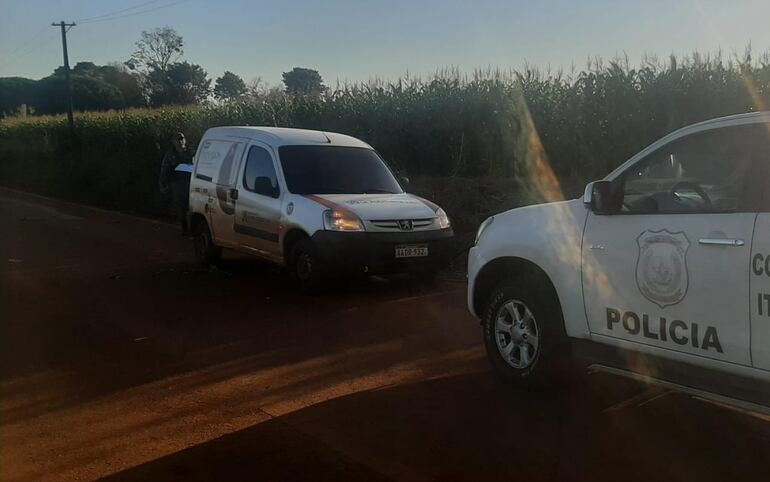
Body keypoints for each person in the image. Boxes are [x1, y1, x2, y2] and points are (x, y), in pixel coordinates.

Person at [159, 132, 194, 234]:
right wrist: (162, 183)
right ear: (173, 142)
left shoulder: (191, 152)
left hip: (191, 181)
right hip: (177, 182)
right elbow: (165, 169)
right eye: (178, 139)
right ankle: (184, 228)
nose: (180, 141)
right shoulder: (171, 154)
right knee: (181, 206)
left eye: (182, 139)